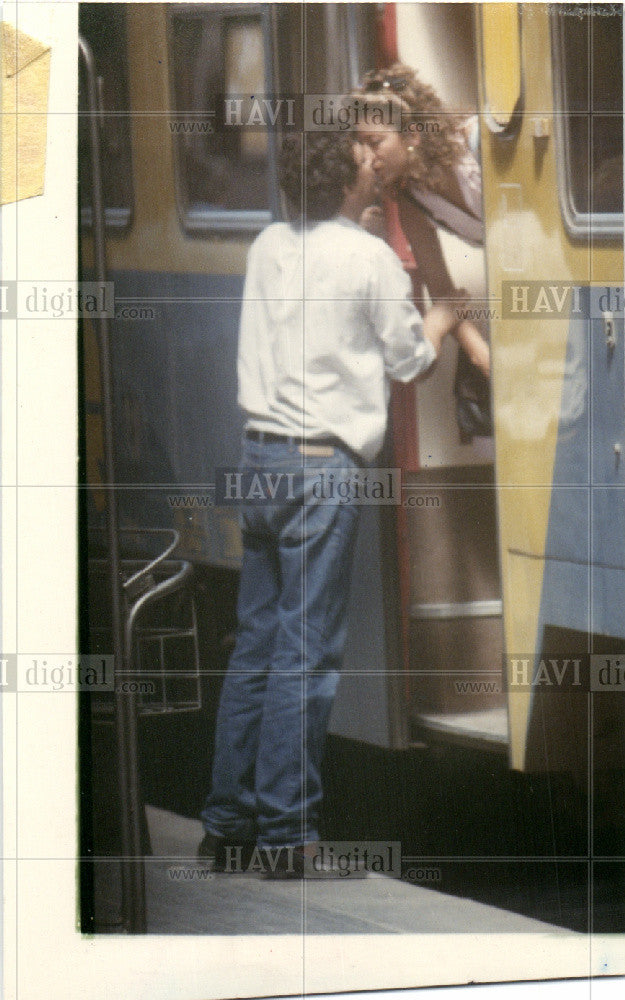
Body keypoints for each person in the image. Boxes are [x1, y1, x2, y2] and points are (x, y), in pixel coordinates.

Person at [198, 131, 463, 878]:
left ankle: (226, 828)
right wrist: (440, 317)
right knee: (305, 658)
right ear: (350, 184)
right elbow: (408, 359)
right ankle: (288, 836)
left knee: (255, 648)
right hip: (321, 471)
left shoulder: (269, 246)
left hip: (259, 460)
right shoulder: (370, 260)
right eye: (363, 161)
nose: (373, 163)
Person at [355, 64, 491, 383]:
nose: (366, 157)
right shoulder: (411, 202)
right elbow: (443, 294)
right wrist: (482, 357)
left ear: (412, 134)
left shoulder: (477, 142)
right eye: (361, 144)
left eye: (375, 142)